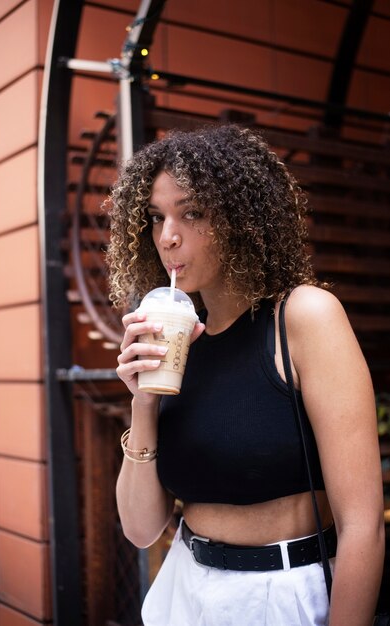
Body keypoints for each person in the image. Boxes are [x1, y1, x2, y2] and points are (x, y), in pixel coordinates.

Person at [105, 124, 384, 626]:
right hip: (185, 590)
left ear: (240, 218)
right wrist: (143, 401)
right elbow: (141, 528)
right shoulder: (180, 341)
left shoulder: (303, 317)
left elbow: (363, 524)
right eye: (155, 217)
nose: (167, 236)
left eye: (191, 213)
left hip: (285, 595)